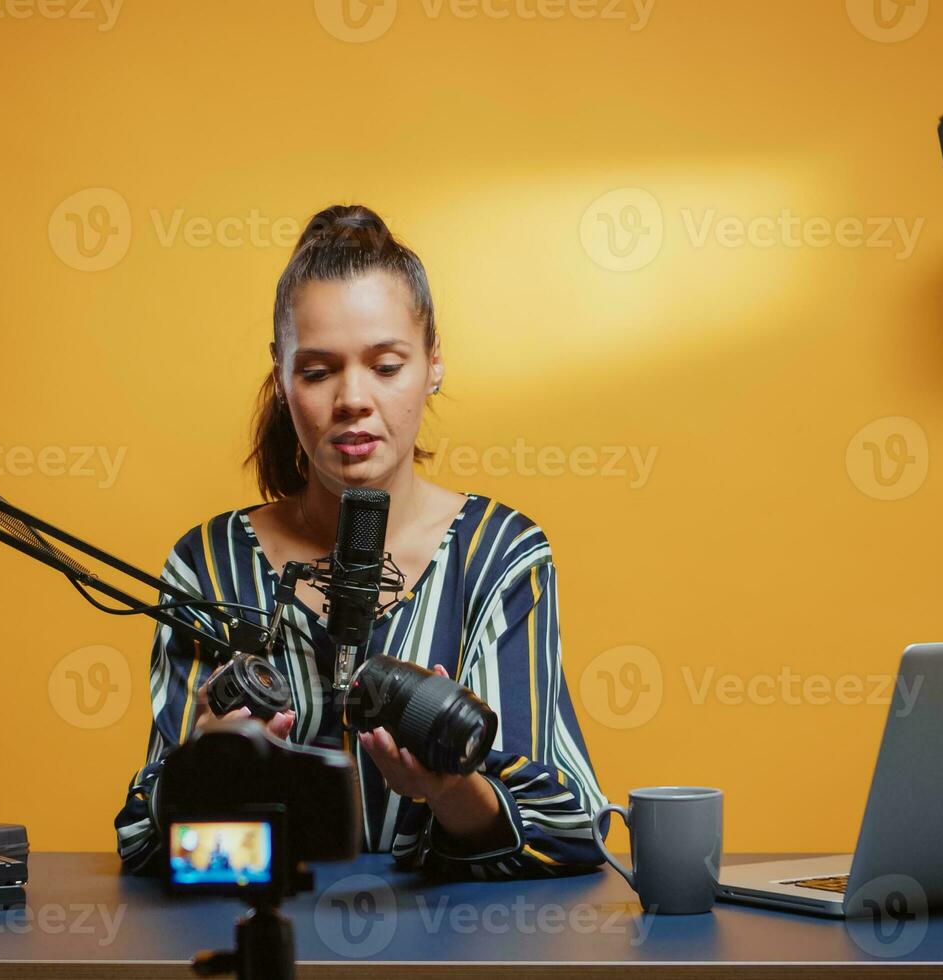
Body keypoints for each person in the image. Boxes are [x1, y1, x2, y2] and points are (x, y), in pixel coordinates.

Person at [114, 204, 610, 880]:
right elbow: (150, 848)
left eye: (385, 365)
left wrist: (447, 789)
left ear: (433, 363)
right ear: (282, 375)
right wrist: (208, 776)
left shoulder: (499, 556)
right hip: (261, 939)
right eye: (318, 372)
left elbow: (568, 832)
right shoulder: (208, 567)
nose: (352, 399)